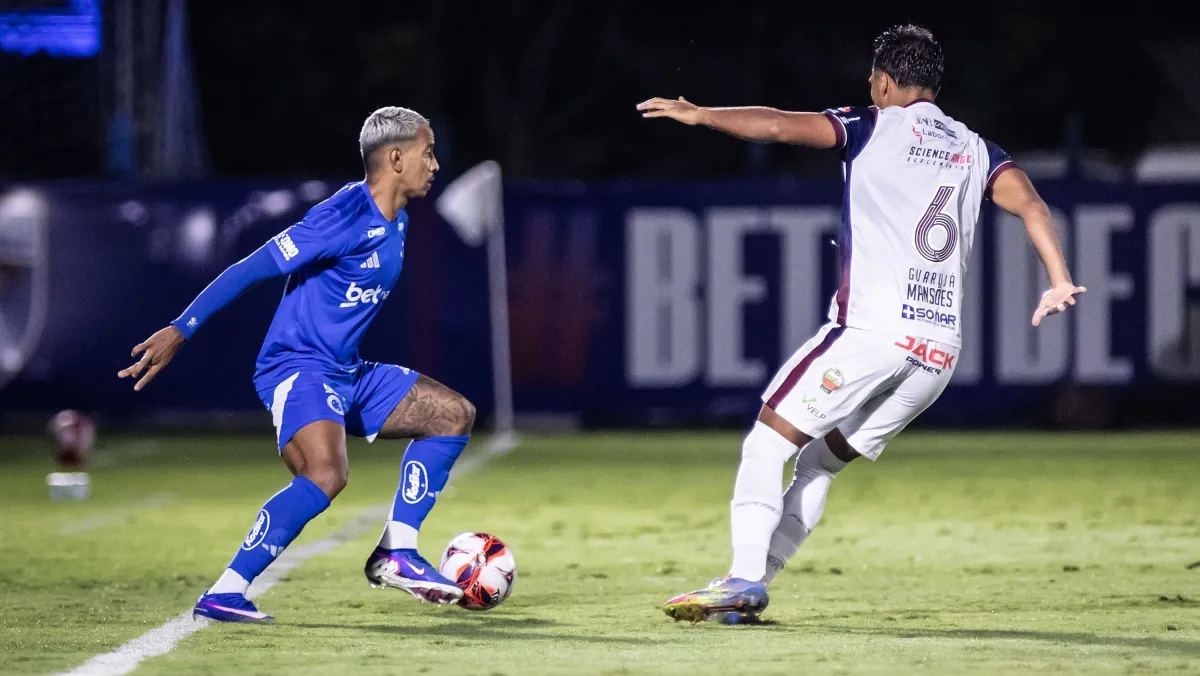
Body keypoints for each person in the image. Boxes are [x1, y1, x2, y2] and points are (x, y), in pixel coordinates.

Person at [637, 24, 1085, 624]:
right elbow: (1031, 203)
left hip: (871, 333)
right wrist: (1058, 279)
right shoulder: (976, 148)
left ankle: (743, 577)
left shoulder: (871, 124)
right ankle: (750, 588)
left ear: (884, 82)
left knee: (768, 443)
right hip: (937, 354)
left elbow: (778, 125)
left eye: (873, 79)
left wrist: (701, 115)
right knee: (819, 464)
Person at [119, 107, 476, 623]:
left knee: (452, 414)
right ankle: (226, 591)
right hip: (298, 367)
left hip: (346, 370)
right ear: (396, 158)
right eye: (429, 153)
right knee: (326, 473)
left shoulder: (398, 219)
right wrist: (181, 328)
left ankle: (397, 551)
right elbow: (249, 268)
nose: (436, 165)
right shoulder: (341, 218)